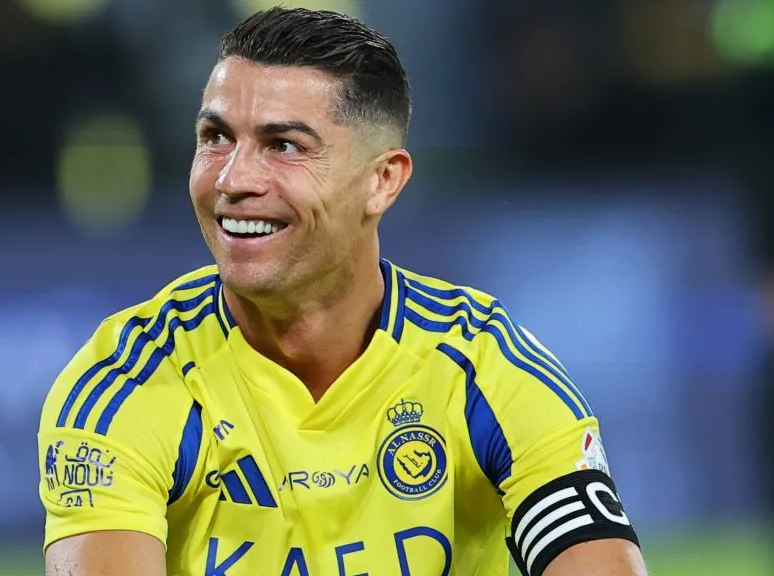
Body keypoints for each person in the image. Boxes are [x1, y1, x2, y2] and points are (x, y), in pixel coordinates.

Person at [38, 7, 647, 576]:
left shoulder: (481, 369)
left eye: (284, 146)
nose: (233, 179)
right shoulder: (127, 384)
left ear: (383, 181)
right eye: (216, 137)